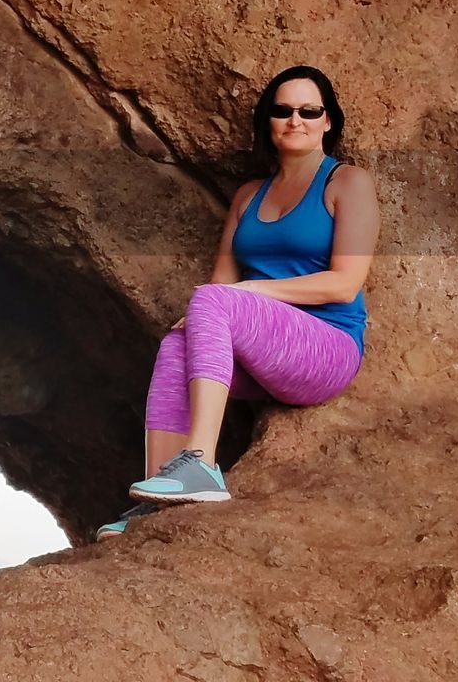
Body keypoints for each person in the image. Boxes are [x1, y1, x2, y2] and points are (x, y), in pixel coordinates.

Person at [96, 65, 379, 540]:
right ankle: (161, 494)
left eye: (310, 110)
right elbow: (221, 283)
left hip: (325, 349)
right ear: (268, 120)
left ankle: (202, 464)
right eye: (282, 110)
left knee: (214, 301)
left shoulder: (347, 183)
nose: (296, 120)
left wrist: (244, 293)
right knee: (176, 343)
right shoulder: (249, 196)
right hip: (263, 351)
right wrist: (221, 303)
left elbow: (344, 284)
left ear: (328, 121)